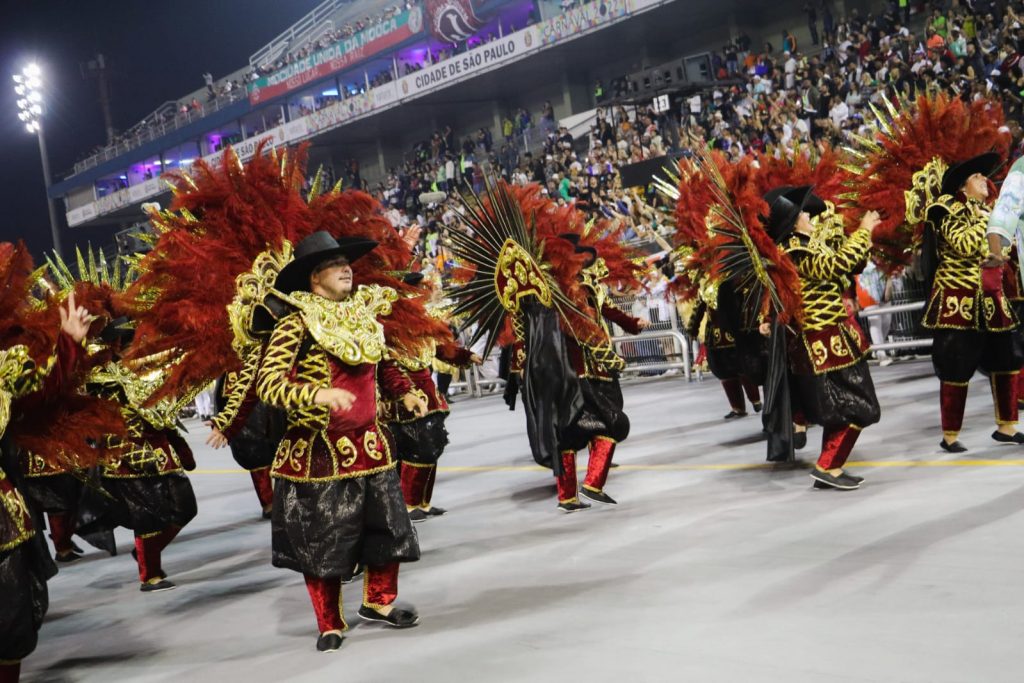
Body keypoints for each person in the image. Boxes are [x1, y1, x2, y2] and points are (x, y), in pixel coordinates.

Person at [256, 231, 428, 652]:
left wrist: (403, 392)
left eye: (346, 264)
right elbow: (268, 384)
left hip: (370, 446)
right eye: (335, 266)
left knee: (386, 529)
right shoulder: (295, 321)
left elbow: (382, 364)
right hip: (319, 452)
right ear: (315, 279)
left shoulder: (363, 315)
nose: (346, 269)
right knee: (325, 540)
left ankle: (379, 602)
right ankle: (330, 621)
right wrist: (316, 394)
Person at [765, 186, 882, 489]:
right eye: (802, 213)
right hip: (822, 341)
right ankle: (828, 466)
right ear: (792, 223)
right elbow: (835, 266)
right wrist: (863, 231)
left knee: (846, 407)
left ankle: (830, 466)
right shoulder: (795, 250)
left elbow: (847, 266)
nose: (808, 216)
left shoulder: (808, 244)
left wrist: (859, 239)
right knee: (859, 406)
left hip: (831, 338)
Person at [921, 153, 1024, 452]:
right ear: (963, 186)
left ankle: (1007, 427)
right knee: (956, 364)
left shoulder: (986, 210)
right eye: (978, 177)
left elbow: (1004, 251)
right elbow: (965, 245)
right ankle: (950, 435)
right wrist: (989, 222)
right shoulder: (945, 208)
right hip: (959, 298)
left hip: (991, 295)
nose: (985, 181)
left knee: (1007, 358)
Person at [387, 273, 481, 522]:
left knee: (432, 447)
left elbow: (440, 348)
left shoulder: (420, 323)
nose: (420, 294)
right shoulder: (388, 326)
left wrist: (464, 355)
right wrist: (401, 392)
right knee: (417, 450)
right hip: (405, 398)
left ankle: (422, 503)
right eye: (414, 289)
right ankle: (408, 504)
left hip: (429, 395)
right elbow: (385, 365)